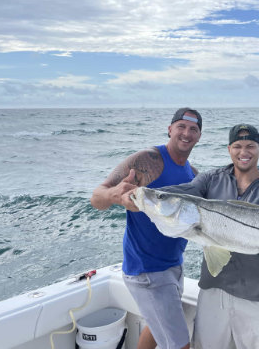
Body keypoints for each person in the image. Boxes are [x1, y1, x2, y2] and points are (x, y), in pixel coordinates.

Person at [122, 124, 259, 349]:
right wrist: (144, 193)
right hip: (213, 288)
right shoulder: (210, 179)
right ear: (229, 149)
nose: (244, 152)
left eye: (250, 146)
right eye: (237, 146)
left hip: (255, 293)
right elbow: (181, 193)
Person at [90, 108, 203, 349]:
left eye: (193, 129)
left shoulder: (192, 174)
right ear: (170, 129)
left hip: (173, 265)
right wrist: (115, 196)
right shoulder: (147, 160)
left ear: (199, 136)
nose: (186, 133)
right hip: (148, 271)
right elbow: (96, 197)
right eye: (181, 126)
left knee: (154, 326)